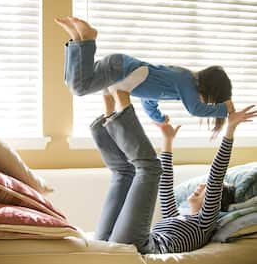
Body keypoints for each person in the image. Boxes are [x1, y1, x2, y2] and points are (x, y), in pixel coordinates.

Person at [89, 93, 257, 254]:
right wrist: (168, 141)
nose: (201, 186)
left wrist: (230, 129)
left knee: (148, 167)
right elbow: (165, 187)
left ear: (216, 198)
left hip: (142, 247)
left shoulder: (205, 223)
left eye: (207, 188)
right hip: (114, 241)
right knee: (124, 172)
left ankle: (122, 101)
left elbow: (216, 176)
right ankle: (109, 106)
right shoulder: (175, 215)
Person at [54, 16, 235, 136]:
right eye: (209, 100)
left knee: (73, 80)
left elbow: (149, 99)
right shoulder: (187, 81)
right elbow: (195, 109)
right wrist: (224, 109)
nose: (204, 102)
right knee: (79, 87)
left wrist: (159, 118)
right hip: (121, 70)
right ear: (208, 89)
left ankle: (77, 39)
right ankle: (87, 39)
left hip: (119, 65)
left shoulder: (178, 79)